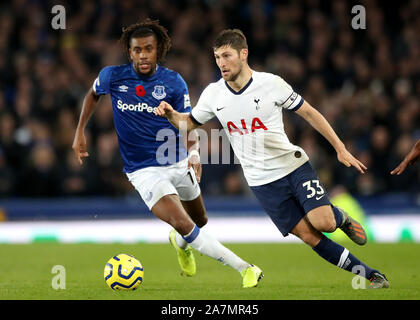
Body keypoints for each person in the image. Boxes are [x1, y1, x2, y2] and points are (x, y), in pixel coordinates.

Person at [155, 28, 389, 289]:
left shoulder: (271, 84)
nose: (221, 63)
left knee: (324, 222)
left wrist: (340, 148)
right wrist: (170, 115)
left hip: (293, 166)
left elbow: (310, 113)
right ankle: (370, 275)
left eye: (227, 55)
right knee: (311, 237)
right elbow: (190, 123)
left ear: (244, 54)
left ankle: (340, 217)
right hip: (262, 183)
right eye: (217, 57)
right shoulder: (213, 93)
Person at [72, 20, 263, 288]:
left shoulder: (173, 82)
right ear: (130, 53)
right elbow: (92, 95)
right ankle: (245, 268)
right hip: (143, 171)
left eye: (148, 49)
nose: (142, 55)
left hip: (175, 159)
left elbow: (188, 123)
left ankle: (180, 245)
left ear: (157, 50)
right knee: (183, 222)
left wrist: (194, 153)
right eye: (137, 50)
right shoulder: (112, 76)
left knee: (200, 220)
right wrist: (80, 131)